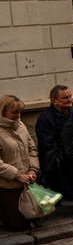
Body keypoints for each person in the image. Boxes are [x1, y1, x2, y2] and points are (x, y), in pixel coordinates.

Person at [0, 95, 40, 231]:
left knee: (36, 215)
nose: (18, 116)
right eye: (14, 113)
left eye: (20, 112)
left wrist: (33, 169)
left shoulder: (20, 125)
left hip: (26, 181)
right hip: (7, 184)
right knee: (20, 225)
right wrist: (17, 175)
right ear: (3, 112)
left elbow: (32, 149)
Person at [34, 85, 73, 193]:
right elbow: (48, 144)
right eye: (65, 98)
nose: (70, 99)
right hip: (56, 162)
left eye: (70, 96)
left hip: (72, 156)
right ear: (54, 101)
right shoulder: (45, 119)